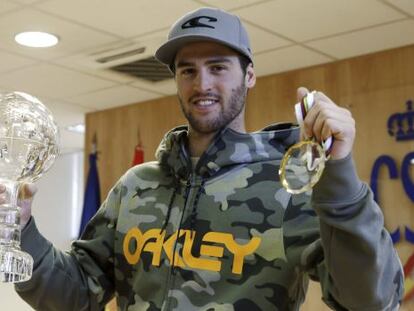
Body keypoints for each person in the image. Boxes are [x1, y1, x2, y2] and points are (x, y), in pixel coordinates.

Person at [7, 7, 403, 311]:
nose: (202, 85)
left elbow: (371, 301)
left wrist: (341, 176)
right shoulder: (135, 186)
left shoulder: (289, 185)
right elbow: (76, 294)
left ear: (248, 76)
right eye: (188, 71)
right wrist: (22, 228)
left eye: (218, 68)